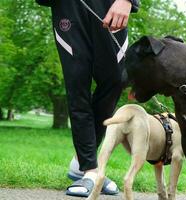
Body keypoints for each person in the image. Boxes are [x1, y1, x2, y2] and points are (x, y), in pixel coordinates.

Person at [35, 0, 139, 197]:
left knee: (116, 80)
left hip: (110, 7)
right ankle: (91, 169)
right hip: (68, 8)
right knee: (78, 86)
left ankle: (79, 163)